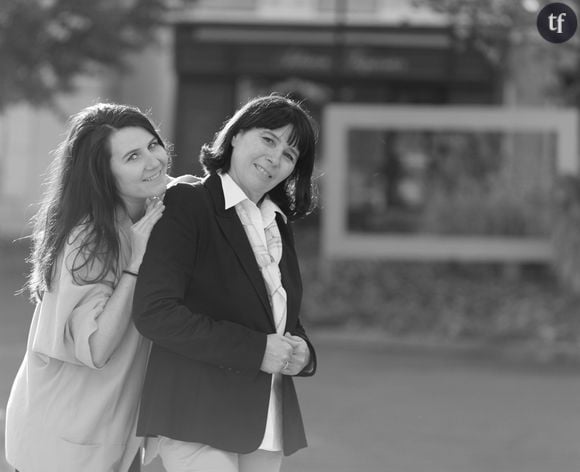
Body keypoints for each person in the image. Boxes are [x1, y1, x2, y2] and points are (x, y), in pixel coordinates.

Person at [132, 94, 319, 472]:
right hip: (194, 413)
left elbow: (278, 319)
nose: (275, 157)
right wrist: (256, 350)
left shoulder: (277, 222)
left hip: (265, 418)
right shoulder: (189, 202)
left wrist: (303, 352)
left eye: (290, 155)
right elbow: (155, 313)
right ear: (236, 135)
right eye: (269, 139)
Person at [5, 102, 173, 472]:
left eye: (153, 145)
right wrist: (135, 265)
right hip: (63, 445)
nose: (153, 160)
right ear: (104, 174)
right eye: (132, 156)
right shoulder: (90, 240)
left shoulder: (152, 208)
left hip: (113, 436)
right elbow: (95, 348)